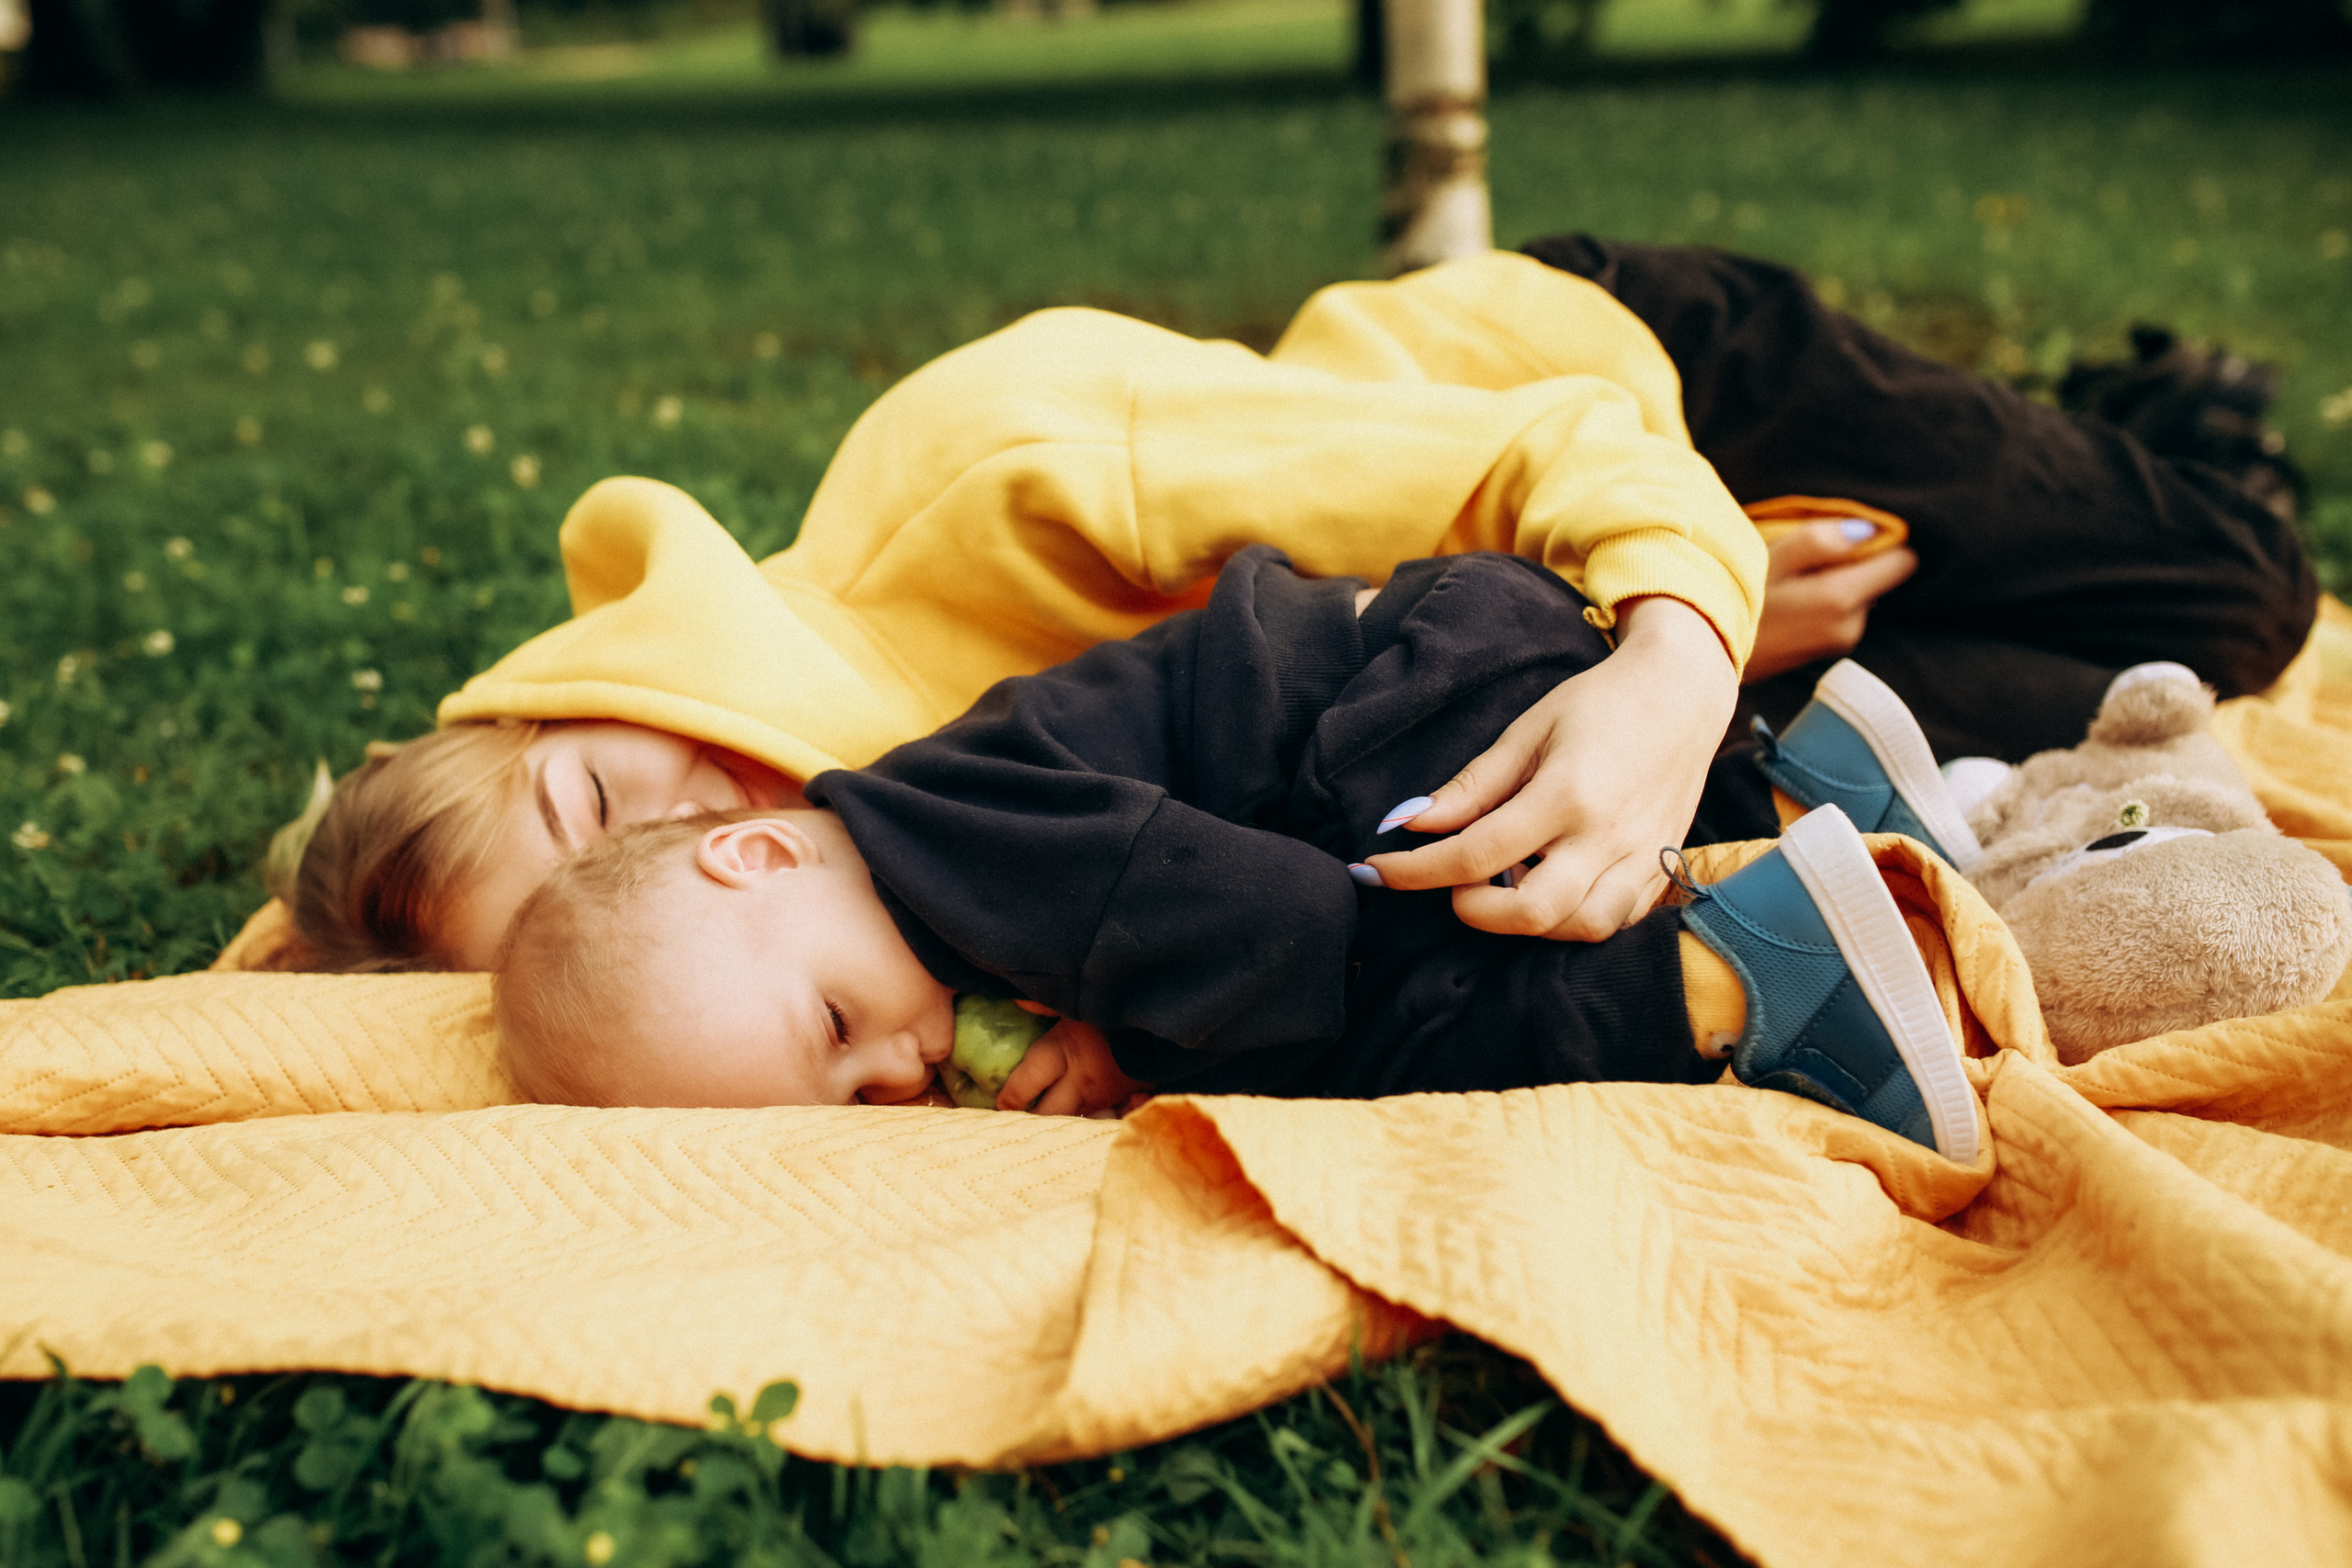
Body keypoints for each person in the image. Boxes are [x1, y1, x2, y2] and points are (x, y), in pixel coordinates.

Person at [284, 239, 2314, 978]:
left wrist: (1669, 647)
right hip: (1565, 631)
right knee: (2094, 695)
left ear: (573, 681)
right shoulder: (871, 887)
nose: (691, 845)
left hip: (1641, 378)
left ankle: (2159, 417)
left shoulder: (977, 467)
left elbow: (1542, 446)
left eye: (597, 796)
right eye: (617, 886)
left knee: (2236, 587)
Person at [492, 547, 1987, 1163]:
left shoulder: (943, 851)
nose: (892, 1073)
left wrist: (1155, 1052)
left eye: (831, 1027)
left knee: (1401, 1020)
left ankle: (1743, 987)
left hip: (1399, 698)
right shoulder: (936, 840)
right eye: (853, 1100)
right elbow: (1148, 870)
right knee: (1458, 881)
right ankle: (1805, 800)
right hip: (1445, 652)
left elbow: (1274, 934)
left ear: (755, 856)